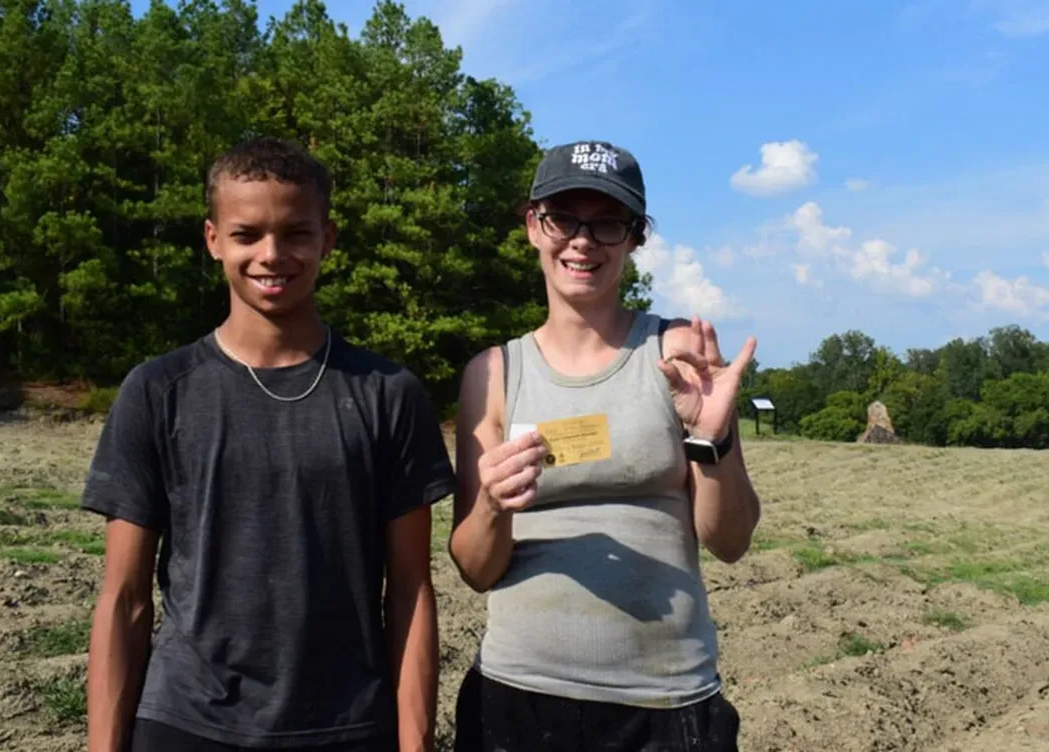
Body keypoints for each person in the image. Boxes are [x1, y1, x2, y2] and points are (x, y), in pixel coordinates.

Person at [82, 136, 455, 752]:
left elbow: (412, 589)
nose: (272, 254)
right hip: (185, 722)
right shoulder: (157, 392)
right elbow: (124, 599)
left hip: (347, 726)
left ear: (328, 239)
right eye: (247, 234)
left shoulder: (389, 395)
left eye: (296, 234)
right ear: (212, 240)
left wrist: (414, 744)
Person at [448, 140, 761, 751]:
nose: (583, 241)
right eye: (563, 218)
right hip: (518, 700)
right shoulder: (492, 375)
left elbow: (731, 542)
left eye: (608, 222)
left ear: (635, 238)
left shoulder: (676, 355)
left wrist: (712, 437)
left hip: (665, 704)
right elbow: (474, 570)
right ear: (533, 226)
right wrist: (490, 505)